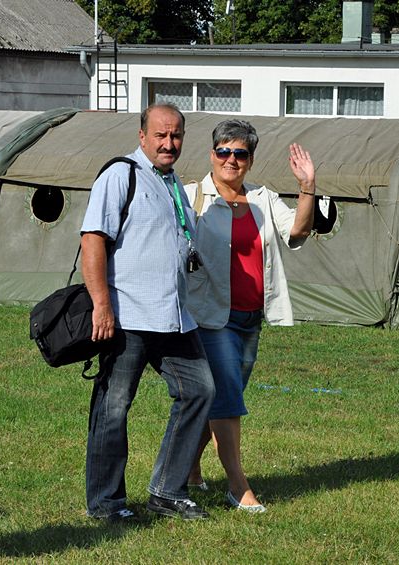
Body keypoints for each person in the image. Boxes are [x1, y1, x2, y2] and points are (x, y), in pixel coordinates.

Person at [80, 103, 215, 522]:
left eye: (175, 135)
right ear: (142, 136)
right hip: (128, 315)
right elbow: (92, 239)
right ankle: (106, 503)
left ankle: (167, 491)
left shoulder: (174, 184)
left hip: (174, 316)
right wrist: (102, 305)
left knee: (200, 391)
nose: (168, 143)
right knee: (113, 407)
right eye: (160, 135)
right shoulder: (121, 175)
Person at [184, 119, 316, 513]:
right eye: (223, 151)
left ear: (250, 160)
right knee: (227, 400)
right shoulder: (192, 197)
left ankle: (188, 467)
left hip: (250, 318)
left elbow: (297, 231)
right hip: (211, 318)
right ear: (212, 155)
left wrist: (308, 186)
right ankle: (238, 488)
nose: (231, 160)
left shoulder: (263, 198)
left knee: (220, 398)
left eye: (240, 153)